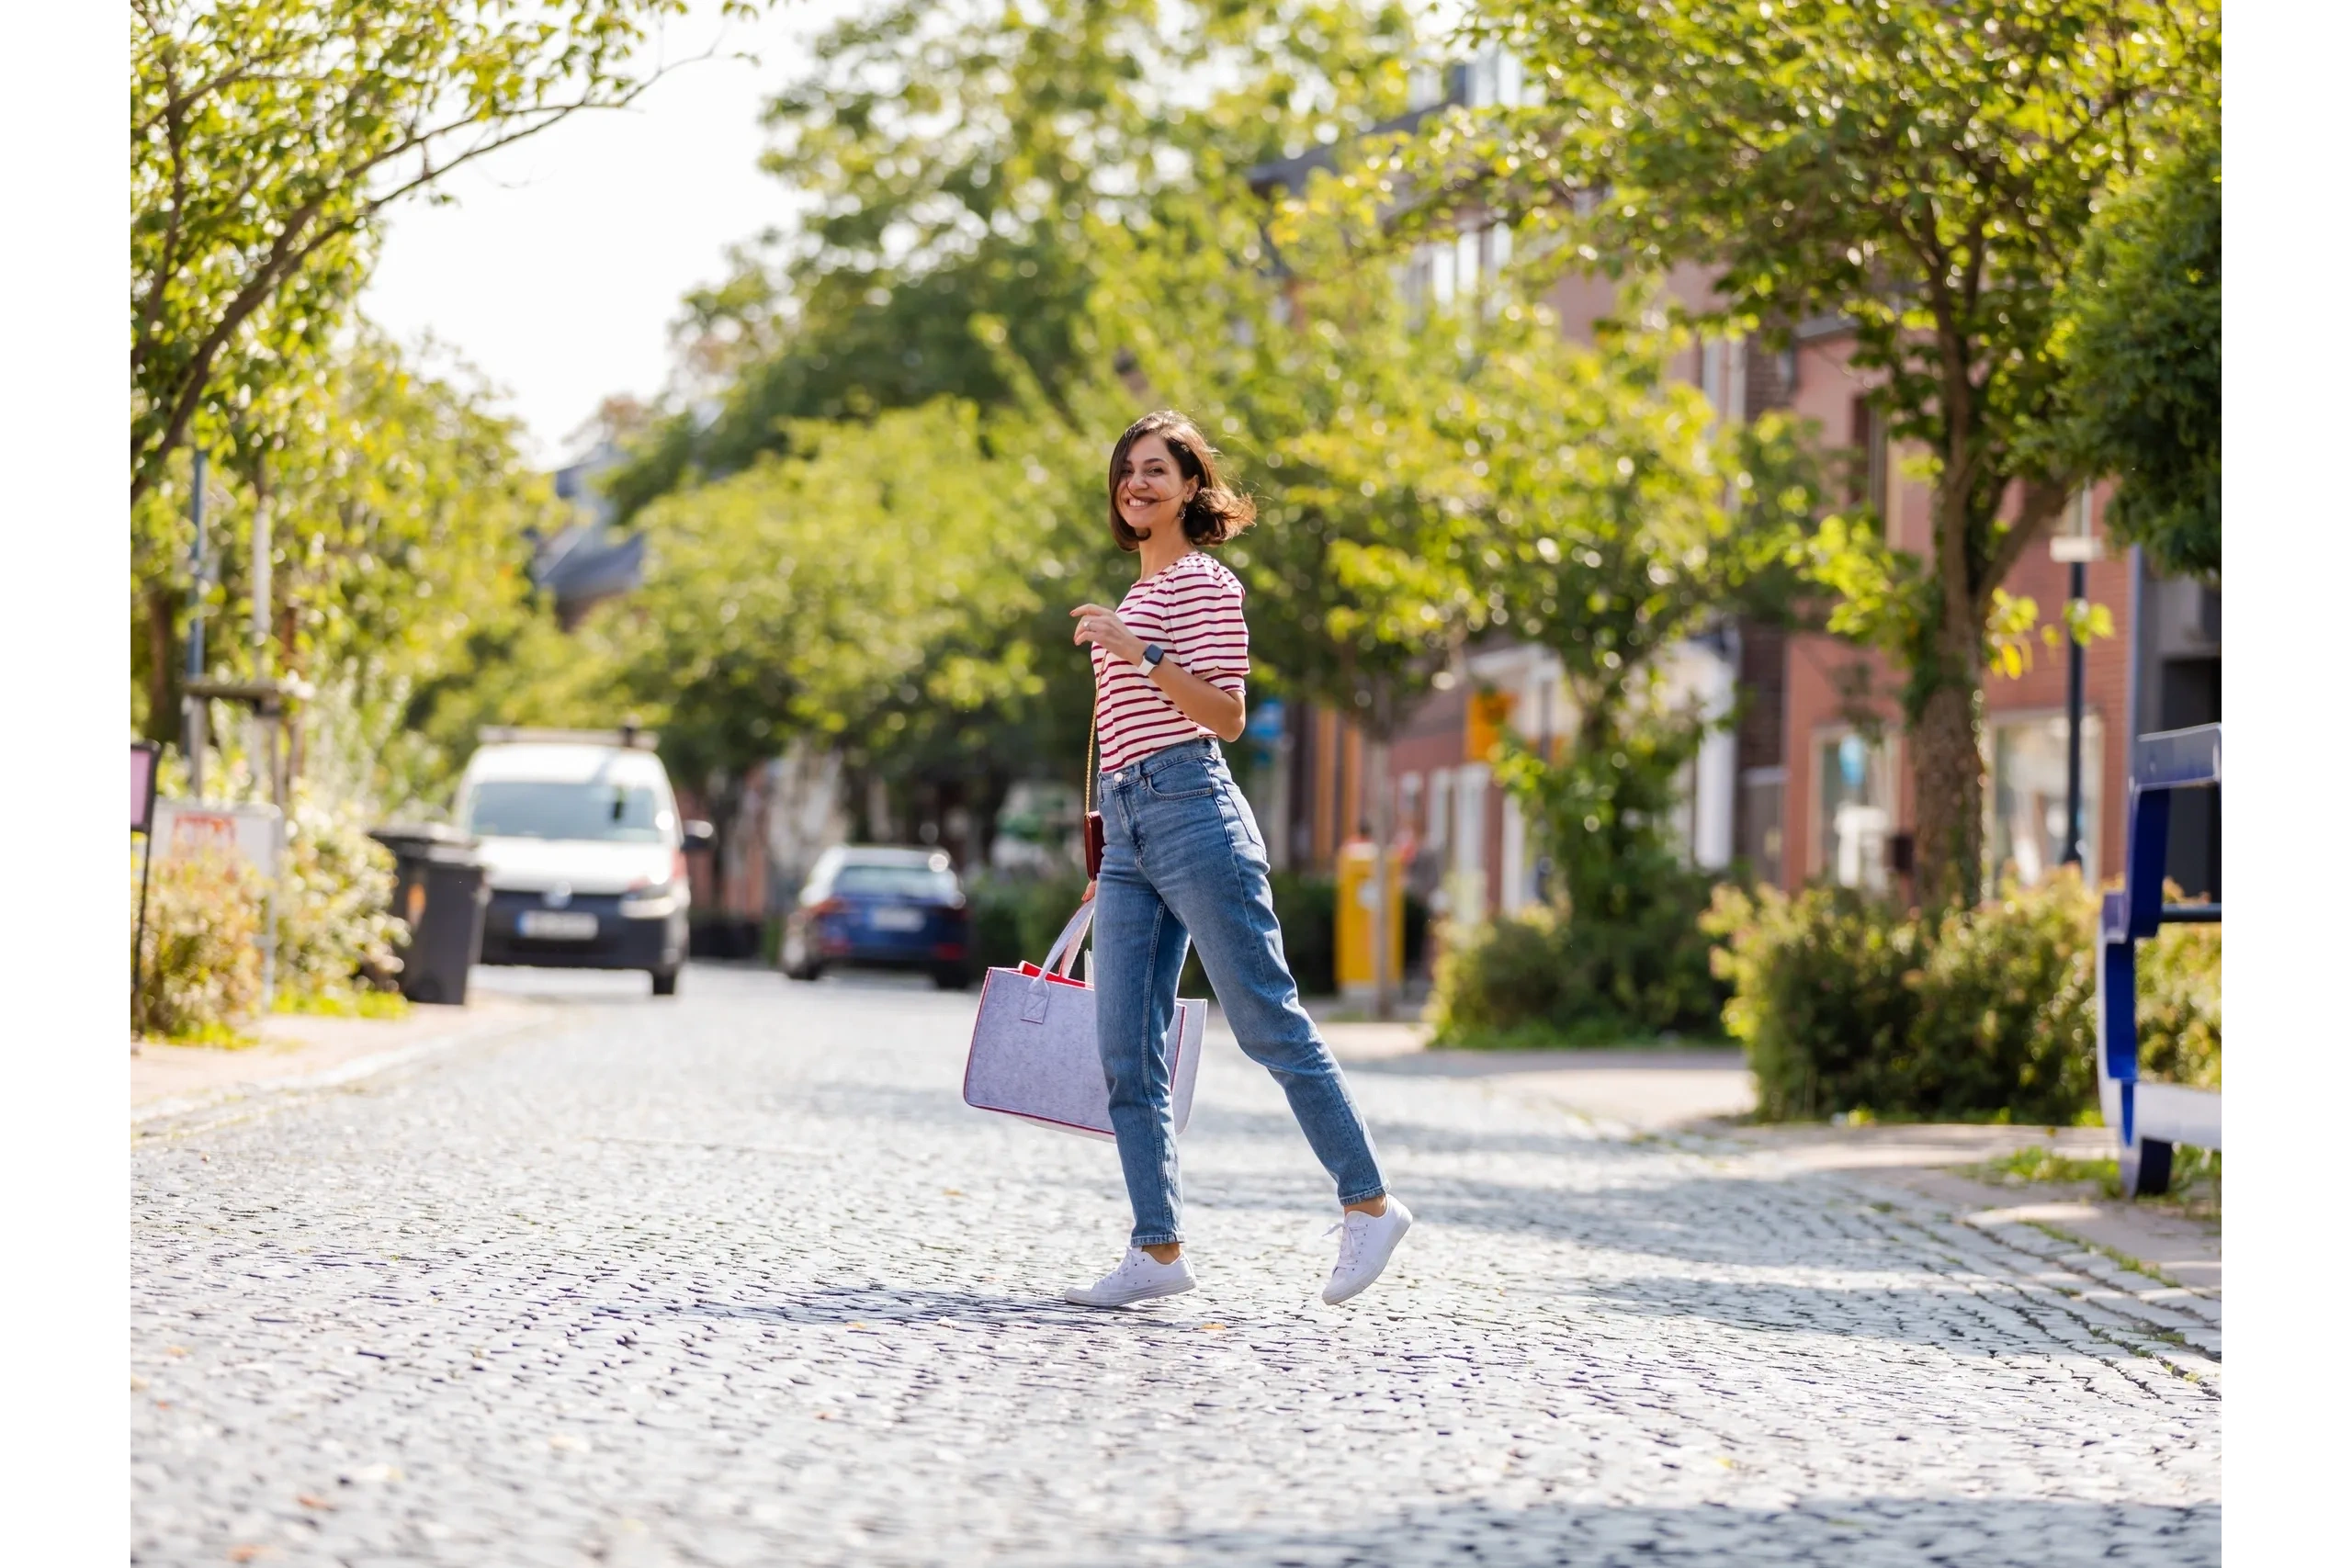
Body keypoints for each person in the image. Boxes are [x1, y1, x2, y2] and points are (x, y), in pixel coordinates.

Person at [1063, 410, 1412, 1309]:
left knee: (1264, 1021)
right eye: (1126, 470)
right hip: (1134, 828)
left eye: (1156, 470)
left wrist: (1136, 650)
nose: (1136, 483)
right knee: (1124, 1055)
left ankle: (1369, 1204)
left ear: (1190, 487)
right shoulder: (1138, 591)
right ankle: (1157, 1251)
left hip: (1194, 817)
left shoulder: (1203, 582)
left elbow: (1223, 716)